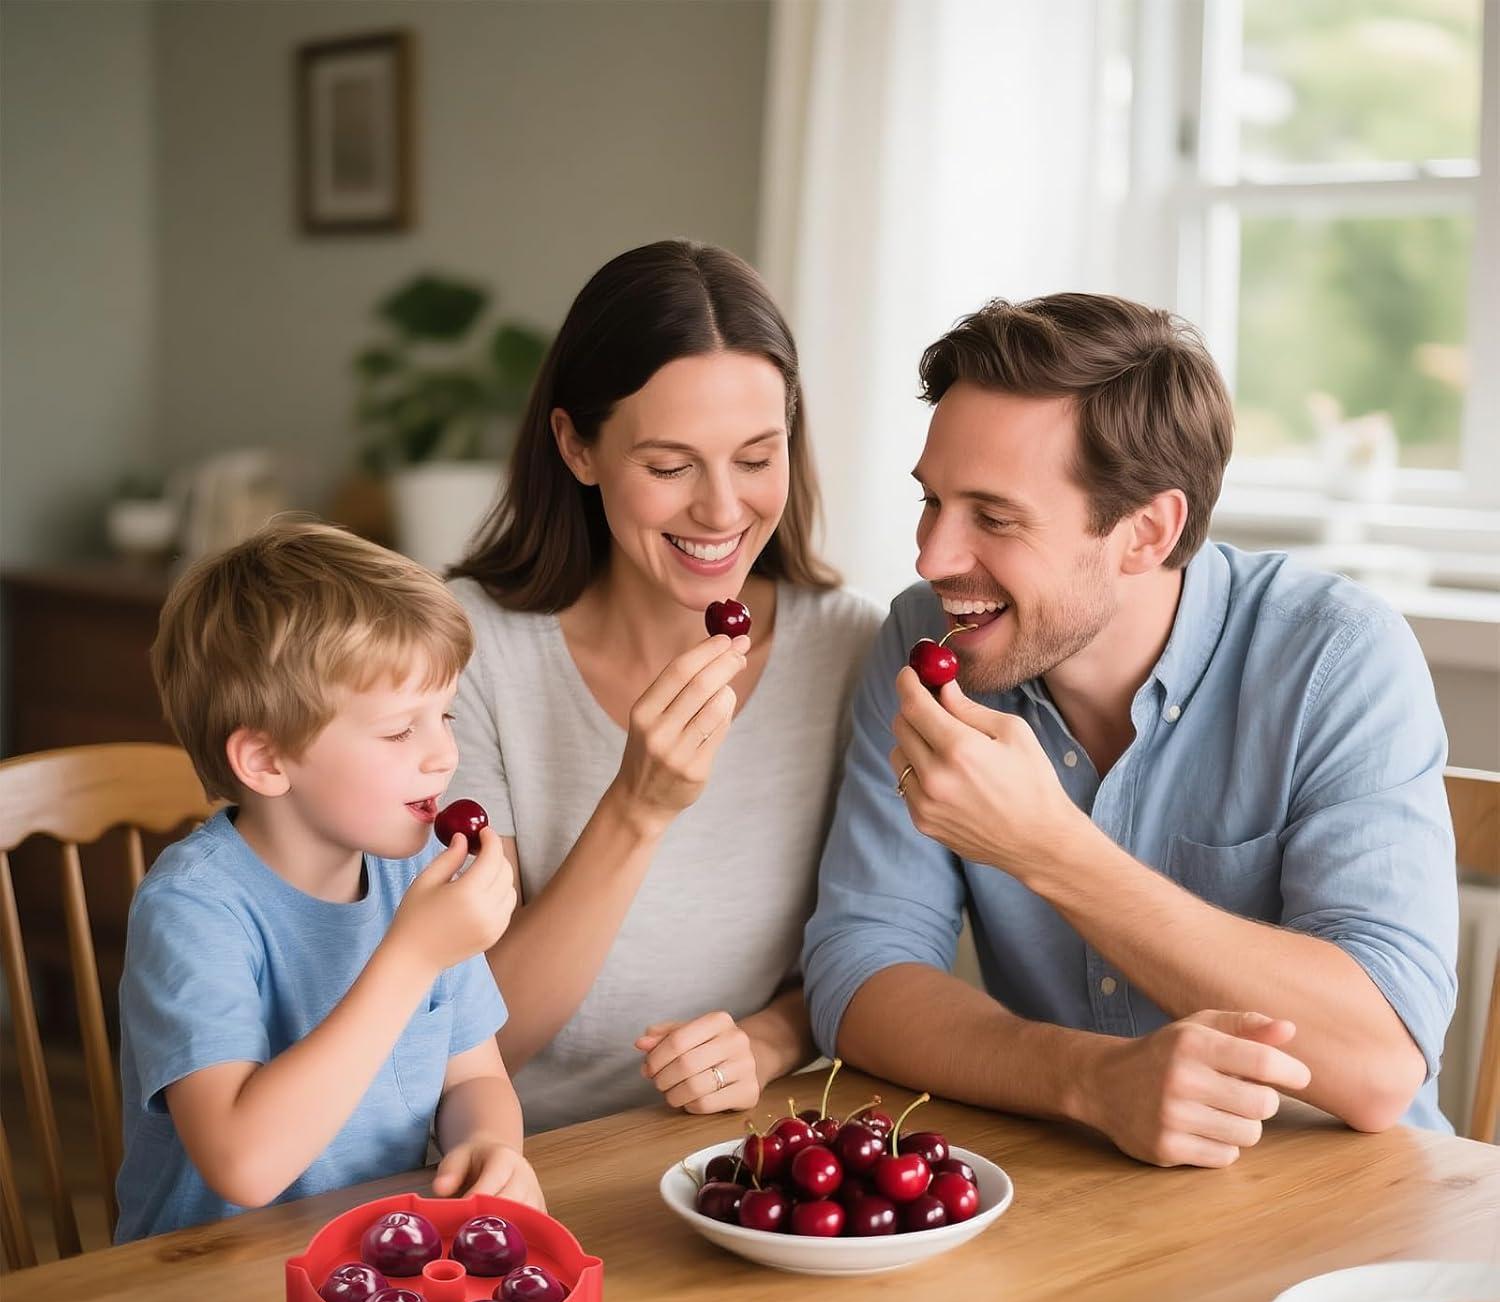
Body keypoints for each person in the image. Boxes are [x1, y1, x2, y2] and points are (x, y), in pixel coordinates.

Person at [803, 292, 1457, 1168]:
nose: (933, 557)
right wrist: (1090, 1080)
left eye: (993, 517)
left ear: (1147, 532)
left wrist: (1049, 850)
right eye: (932, 501)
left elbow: (1380, 1066)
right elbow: (859, 972)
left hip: (1344, 1207)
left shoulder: (1336, 657)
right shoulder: (926, 640)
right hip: (1076, 1193)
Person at [446, 240, 882, 1133]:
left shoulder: (848, 649)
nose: (720, 511)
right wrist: (636, 810)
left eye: (756, 459)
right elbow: (469, 1041)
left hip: (731, 1152)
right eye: (670, 466)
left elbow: (874, 948)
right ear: (577, 447)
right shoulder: (466, 647)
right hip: (513, 1159)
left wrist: (770, 1039)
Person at [115, 519, 540, 1241]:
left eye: (444, 714)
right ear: (266, 761)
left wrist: (488, 1145)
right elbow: (243, 1166)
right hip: (204, 1281)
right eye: (400, 730)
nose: (444, 754)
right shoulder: (193, 908)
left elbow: (474, 1078)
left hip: (373, 1263)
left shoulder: (417, 875)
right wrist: (412, 957)